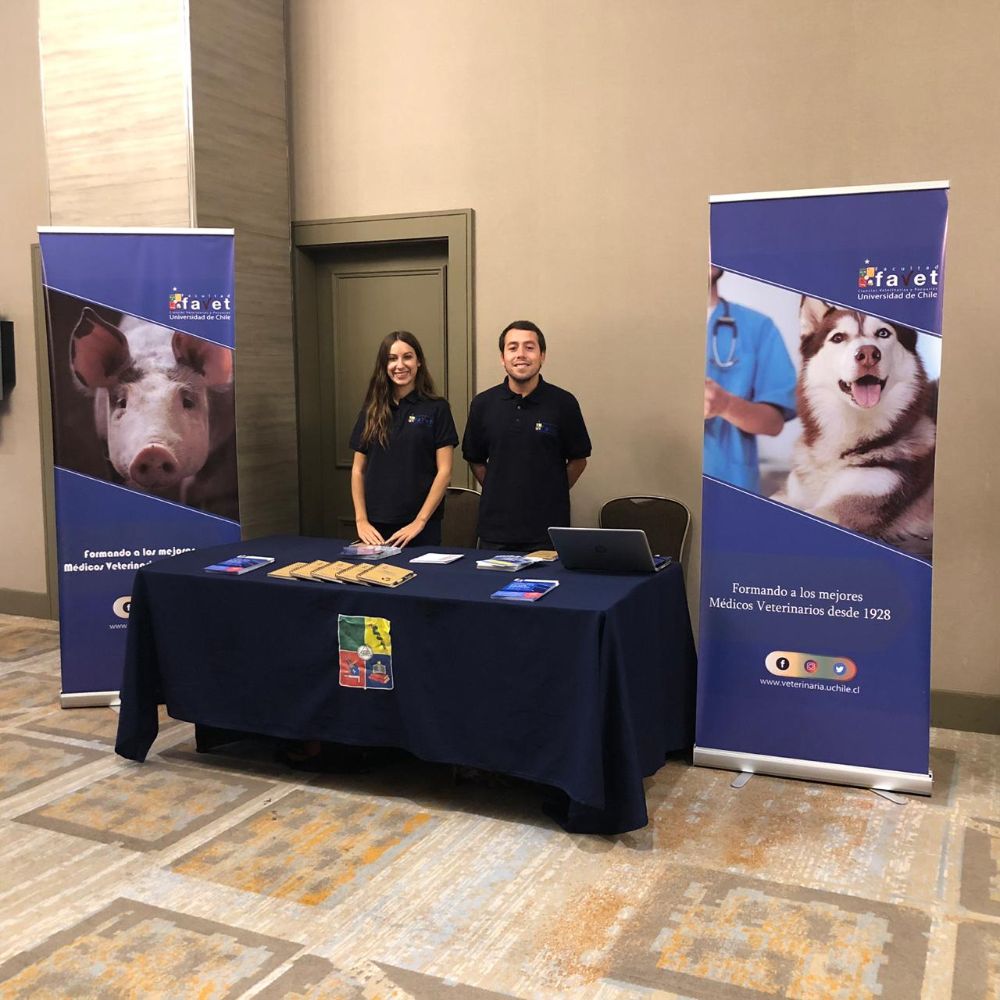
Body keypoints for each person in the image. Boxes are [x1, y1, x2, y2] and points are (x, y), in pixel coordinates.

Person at [462, 320, 591, 551]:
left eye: (529, 347)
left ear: (542, 356)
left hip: (548, 532)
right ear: (502, 357)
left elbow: (579, 460)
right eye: (512, 348)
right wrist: (499, 490)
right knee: (491, 588)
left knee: (545, 588)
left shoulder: (563, 403)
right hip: (495, 532)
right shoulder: (483, 404)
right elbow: (475, 459)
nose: (521, 354)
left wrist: (550, 491)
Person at [350, 330, 458, 547]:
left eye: (407, 356)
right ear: (384, 365)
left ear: (419, 362)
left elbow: (444, 471)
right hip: (375, 527)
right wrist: (361, 520)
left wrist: (420, 521)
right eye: (392, 359)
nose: (400, 365)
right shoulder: (371, 410)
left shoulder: (437, 408)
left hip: (421, 526)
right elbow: (357, 470)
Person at [704, 266, 796, 492]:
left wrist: (726, 405)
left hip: (729, 483)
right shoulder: (647, 326)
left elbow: (773, 423)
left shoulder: (758, 327)